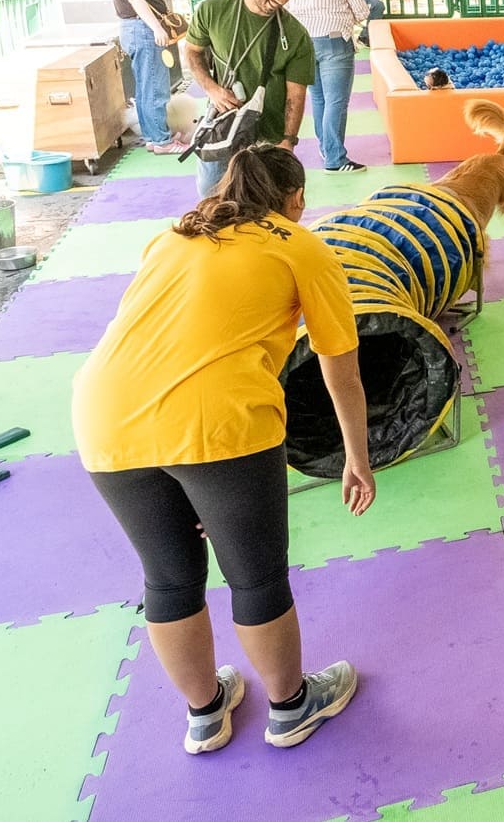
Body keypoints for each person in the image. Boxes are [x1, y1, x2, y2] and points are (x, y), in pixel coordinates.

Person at [72, 145, 376, 755]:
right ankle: (291, 707)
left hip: (104, 416)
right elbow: (339, 367)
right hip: (220, 422)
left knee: (168, 578)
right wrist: (357, 457)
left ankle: (205, 713)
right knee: (256, 577)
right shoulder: (301, 245)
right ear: (295, 201)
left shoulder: (175, 236)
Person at [184, 0, 315, 198]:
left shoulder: (296, 35)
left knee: (265, 207)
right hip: (223, 128)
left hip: (267, 138)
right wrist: (212, 89)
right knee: (212, 198)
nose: (281, 0)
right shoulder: (212, 10)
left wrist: (288, 142)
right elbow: (193, 51)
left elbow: (295, 95)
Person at [290, 0, 372, 173]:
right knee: (336, 101)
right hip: (335, 40)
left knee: (318, 99)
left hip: (303, 42)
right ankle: (336, 158)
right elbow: (361, 12)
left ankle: (326, 148)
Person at [109, 0, 184, 155]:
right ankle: (161, 140)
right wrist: (157, 28)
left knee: (144, 87)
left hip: (133, 29)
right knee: (155, 86)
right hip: (142, 28)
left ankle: (154, 136)